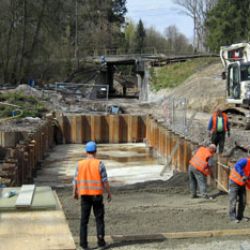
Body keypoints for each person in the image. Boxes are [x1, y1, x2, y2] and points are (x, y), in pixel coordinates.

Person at [73, 141, 112, 250]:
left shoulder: (79, 164)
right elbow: (105, 181)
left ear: (86, 151)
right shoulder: (99, 164)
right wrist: (109, 193)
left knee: (83, 221)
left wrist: (75, 192)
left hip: (84, 195)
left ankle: (83, 245)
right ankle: (101, 243)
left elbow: (75, 180)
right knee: (99, 219)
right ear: (95, 151)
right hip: (97, 196)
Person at [229, 158, 250, 223]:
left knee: (243, 201)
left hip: (242, 183)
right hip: (234, 181)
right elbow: (237, 166)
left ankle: (240, 216)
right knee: (233, 200)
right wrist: (243, 174)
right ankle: (232, 217)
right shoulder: (245, 161)